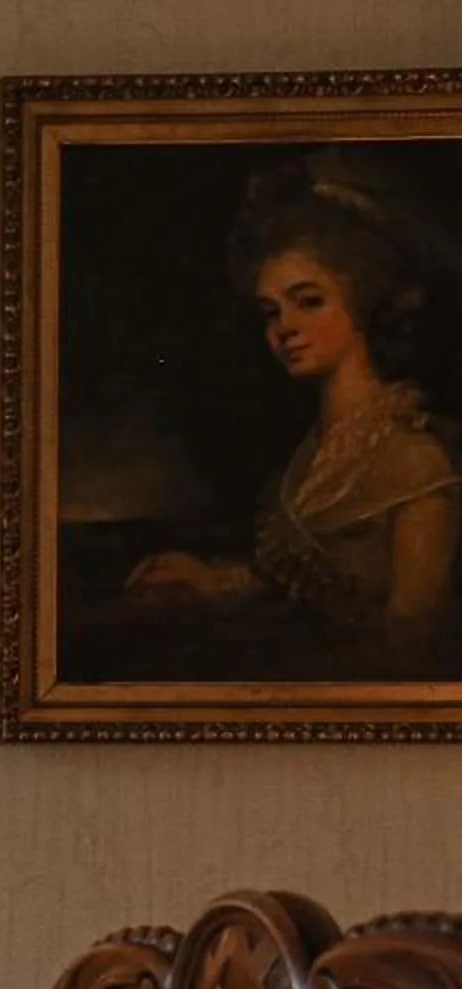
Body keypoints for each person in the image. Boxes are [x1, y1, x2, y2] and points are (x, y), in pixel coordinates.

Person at [128, 158, 462, 661]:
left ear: (363, 303)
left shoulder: (416, 461)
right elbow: (289, 580)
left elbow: (414, 642)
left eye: (308, 301)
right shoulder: (316, 450)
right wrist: (212, 581)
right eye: (271, 311)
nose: (283, 327)